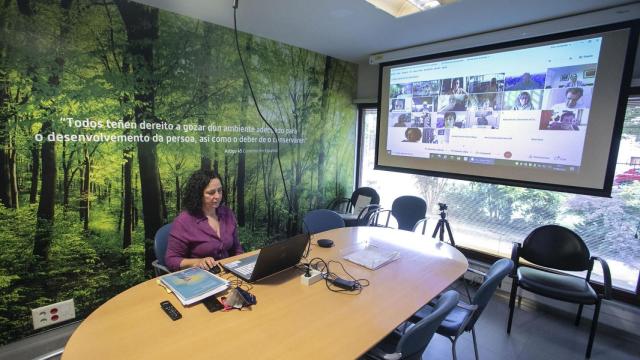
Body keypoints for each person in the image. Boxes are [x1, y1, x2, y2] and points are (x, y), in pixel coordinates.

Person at [165, 170, 243, 272]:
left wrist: (241, 268)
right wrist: (197, 262)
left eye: (220, 190)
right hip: (199, 277)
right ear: (198, 195)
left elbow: (237, 249)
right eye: (211, 193)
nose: (217, 196)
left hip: (228, 272)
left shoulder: (227, 213)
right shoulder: (183, 221)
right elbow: (171, 260)